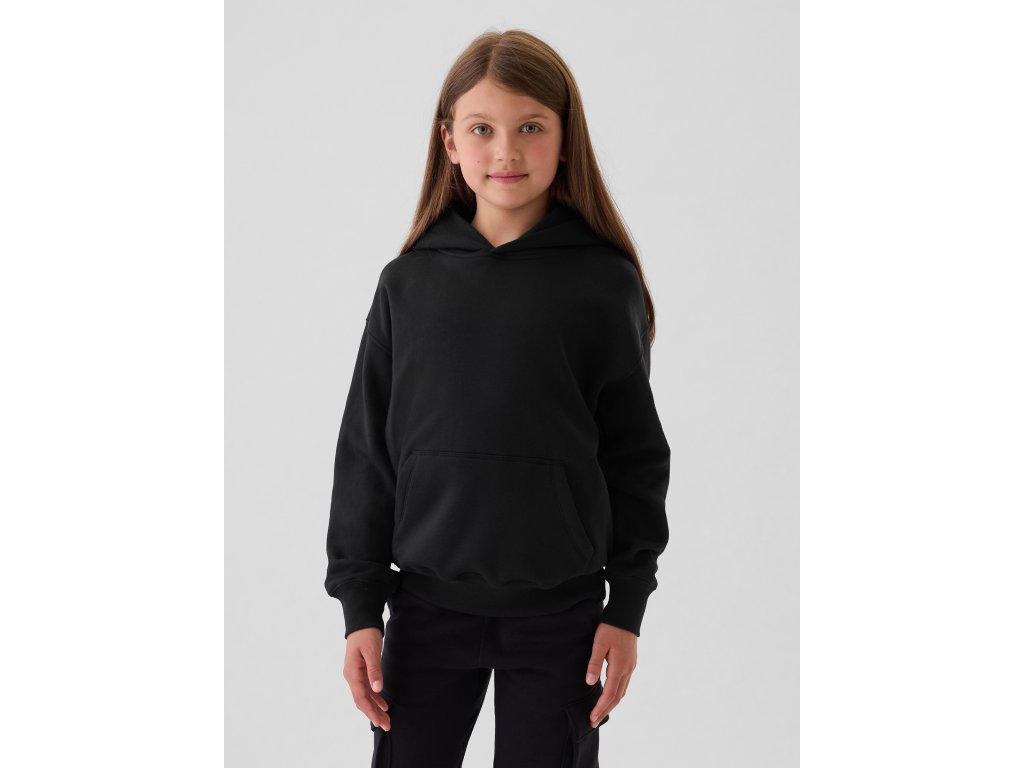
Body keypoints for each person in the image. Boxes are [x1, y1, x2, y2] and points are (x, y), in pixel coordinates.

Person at [324, 28, 671, 768]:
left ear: (566, 141)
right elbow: (365, 453)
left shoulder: (601, 284)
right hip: (424, 615)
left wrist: (627, 607)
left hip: (563, 622)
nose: (506, 151)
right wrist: (359, 608)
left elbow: (635, 457)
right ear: (449, 141)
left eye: (531, 128)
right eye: (482, 129)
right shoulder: (407, 284)